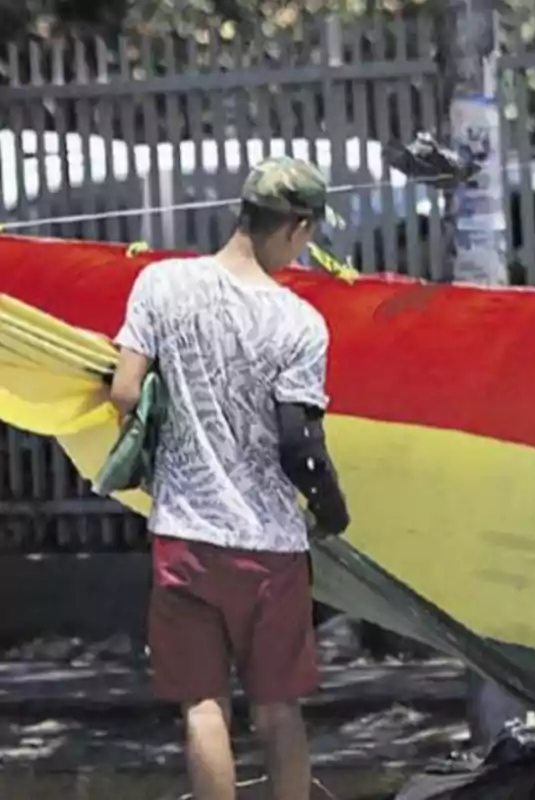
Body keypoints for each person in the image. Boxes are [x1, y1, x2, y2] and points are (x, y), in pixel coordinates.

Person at [108, 155, 351, 800]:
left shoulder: (161, 285)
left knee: (203, 705)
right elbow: (300, 441)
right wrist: (332, 509)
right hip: (271, 548)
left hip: (185, 537)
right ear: (297, 227)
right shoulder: (299, 322)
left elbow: (125, 391)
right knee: (278, 710)